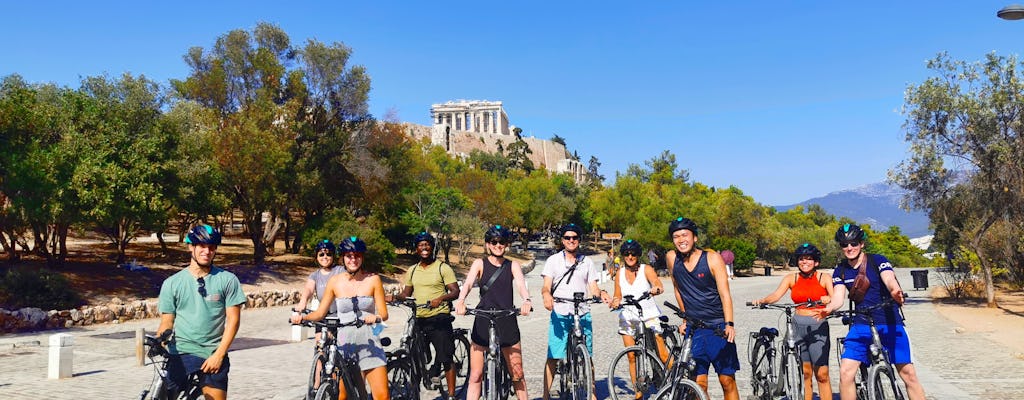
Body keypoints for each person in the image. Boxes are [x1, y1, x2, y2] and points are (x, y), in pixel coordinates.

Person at [818, 224, 926, 400]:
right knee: (846, 373)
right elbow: (838, 296)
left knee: (909, 375)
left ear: (861, 244)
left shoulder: (877, 260)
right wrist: (829, 308)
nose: (849, 248)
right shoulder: (841, 270)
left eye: (853, 243)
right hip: (861, 324)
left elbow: (889, 279)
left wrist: (895, 292)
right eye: (845, 244)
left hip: (889, 322)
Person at [292, 236, 390, 400]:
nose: (353, 259)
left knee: (382, 395)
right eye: (349, 256)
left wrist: (376, 317)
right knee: (344, 396)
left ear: (362, 257)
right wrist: (302, 318)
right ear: (343, 258)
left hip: (370, 339)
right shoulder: (335, 282)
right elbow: (320, 313)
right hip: (345, 341)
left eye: (357, 255)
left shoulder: (373, 280)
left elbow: (384, 313)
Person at [156, 225, 247, 400]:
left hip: (212, 352)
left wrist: (219, 355)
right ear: (191, 247)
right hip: (180, 352)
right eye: (202, 246)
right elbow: (167, 321)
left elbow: (233, 321)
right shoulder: (172, 283)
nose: (207, 251)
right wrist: (160, 340)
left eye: (211, 247)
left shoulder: (227, 280)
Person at [665, 217, 739, 400]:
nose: (681, 239)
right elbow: (677, 288)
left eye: (685, 235)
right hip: (694, 329)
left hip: (717, 327)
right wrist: (684, 319)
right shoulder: (671, 258)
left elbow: (725, 294)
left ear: (695, 238)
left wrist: (729, 323)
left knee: (726, 380)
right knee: (698, 384)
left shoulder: (712, 258)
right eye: (676, 236)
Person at [454, 225, 532, 400]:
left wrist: (526, 300)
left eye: (502, 242)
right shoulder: (479, 263)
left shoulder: (513, 265)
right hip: (483, 318)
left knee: (518, 375)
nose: (498, 245)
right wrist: (461, 300)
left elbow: (520, 285)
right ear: (488, 244)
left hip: (506, 318)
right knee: (476, 376)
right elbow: (467, 284)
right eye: (494, 242)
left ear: (506, 244)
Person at [752, 243, 834, 400]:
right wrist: (762, 301)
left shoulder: (824, 278)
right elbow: (776, 295)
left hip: (818, 326)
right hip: (797, 325)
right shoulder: (792, 278)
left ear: (816, 262)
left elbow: (835, 298)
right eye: (801, 259)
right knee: (806, 372)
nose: (805, 262)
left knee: (822, 374)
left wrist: (828, 299)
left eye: (809, 259)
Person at [540, 223, 610, 400]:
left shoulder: (586, 262)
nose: (571, 241)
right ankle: (546, 394)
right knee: (554, 356)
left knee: (588, 353)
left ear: (579, 240)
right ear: (562, 240)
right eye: (567, 238)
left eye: (574, 237)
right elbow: (546, 286)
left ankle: (592, 393)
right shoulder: (553, 261)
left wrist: (601, 294)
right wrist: (547, 296)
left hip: (582, 311)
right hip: (561, 312)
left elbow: (593, 287)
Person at [386, 231, 461, 395]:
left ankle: (451, 395)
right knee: (418, 356)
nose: (424, 248)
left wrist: (441, 298)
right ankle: (419, 384)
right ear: (416, 249)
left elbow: (455, 292)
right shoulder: (412, 270)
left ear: (432, 247)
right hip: (419, 318)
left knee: (446, 357)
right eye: (421, 245)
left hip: (439, 317)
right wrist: (394, 297)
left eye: (427, 244)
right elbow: (406, 293)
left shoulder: (442, 268)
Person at [608, 239, 670, 384]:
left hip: (648, 314)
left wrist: (656, 289)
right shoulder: (619, 273)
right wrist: (615, 301)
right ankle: (638, 393)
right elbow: (617, 294)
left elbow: (657, 284)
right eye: (627, 254)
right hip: (628, 316)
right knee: (631, 356)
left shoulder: (646, 269)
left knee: (662, 354)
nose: (630, 257)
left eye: (633, 254)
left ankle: (677, 382)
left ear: (638, 255)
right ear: (623, 255)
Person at [296, 239, 345, 341]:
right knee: (319, 343)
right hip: (322, 314)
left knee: (334, 341)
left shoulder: (340, 270)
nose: (325, 257)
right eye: (321, 254)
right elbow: (309, 288)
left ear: (333, 256)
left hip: (339, 313)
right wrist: (303, 301)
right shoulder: (315, 275)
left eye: (328, 254)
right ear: (317, 257)